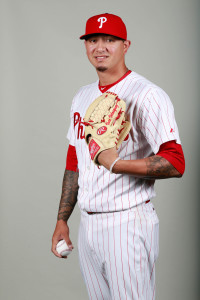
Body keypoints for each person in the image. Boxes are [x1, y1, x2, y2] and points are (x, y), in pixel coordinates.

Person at [51, 13, 185, 300]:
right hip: (88, 224)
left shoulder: (147, 95)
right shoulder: (81, 96)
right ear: (85, 47)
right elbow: (75, 160)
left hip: (127, 222)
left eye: (109, 40)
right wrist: (62, 219)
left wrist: (116, 163)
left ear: (126, 45)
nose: (100, 47)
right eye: (93, 40)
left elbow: (175, 161)